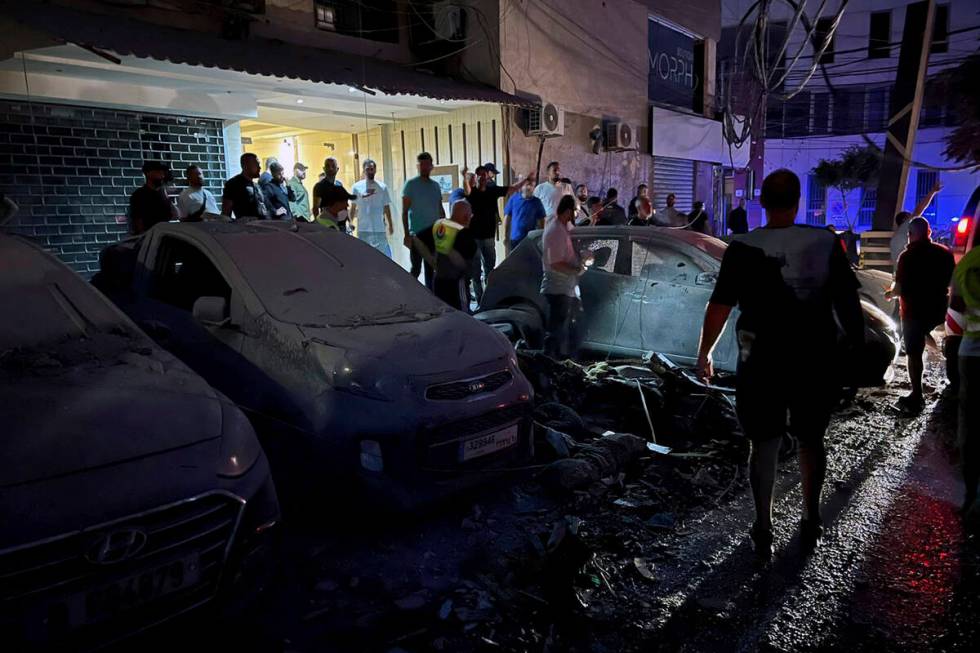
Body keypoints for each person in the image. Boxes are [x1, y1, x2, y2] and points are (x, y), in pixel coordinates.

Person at [695, 169, 864, 557]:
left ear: (764, 203)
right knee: (811, 440)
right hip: (814, 361)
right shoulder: (825, 242)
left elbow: (719, 306)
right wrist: (853, 351)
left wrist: (704, 353)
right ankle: (810, 517)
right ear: (799, 200)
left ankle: (763, 523)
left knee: (764, 442)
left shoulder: (742, 247)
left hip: (761, 361)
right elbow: (847, 303)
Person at [885, 217, 955, 412]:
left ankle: (917, 395)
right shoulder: (944, 253)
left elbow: (898, 290)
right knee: (929, 336)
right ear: (929, 233)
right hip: (938, 309)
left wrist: (890, 294)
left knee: (914, 354)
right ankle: (949, 372)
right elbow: (952, 283)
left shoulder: (907, 256)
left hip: (913, 311)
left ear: (910, 235)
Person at [463, 164, 529, 302]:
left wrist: (525, 180)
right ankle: (480, 300)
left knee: (490, 269)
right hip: (474, 238)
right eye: (479, 175)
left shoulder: (492, 191)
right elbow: (467, 189)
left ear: (487, 176)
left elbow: (512, 189)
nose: (482, 177)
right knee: (475, 272)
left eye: (484, 174)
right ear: (476, 177)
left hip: (488, 237)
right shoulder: (472, 193)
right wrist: (464, 176)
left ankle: (488, 299)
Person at [542, 195, 593, 358]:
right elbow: (555, 263)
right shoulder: (555, 230)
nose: (577, 215)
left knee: (568, 327)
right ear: (569, 211)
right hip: (558, 288)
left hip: (567, 288)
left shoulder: (563, 228)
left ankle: (562, 359)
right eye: (576, 211)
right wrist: (576, 270)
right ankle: (550, 361)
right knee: (556, 330)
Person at [950, 242, 980, 515]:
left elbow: (956, 306)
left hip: (971, 351)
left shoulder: (969, 261)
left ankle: (971, 493)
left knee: (970, 422)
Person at [423, 200, 479, 311]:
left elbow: (418, 242)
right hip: (456, 284)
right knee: (461, 316)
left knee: (444, 314)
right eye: (470, 215)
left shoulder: (440, 228)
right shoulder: (466, 237)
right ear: (466, 217)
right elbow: (464, 266)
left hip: (439, 280)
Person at [401, 152, 444, 289]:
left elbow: (440, 208)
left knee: (432, 268)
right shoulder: (411, 185)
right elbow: (404, 211)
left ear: (431, 166)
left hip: (434, 233)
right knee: (416, 268)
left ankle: (431, 299)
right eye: (422, 165)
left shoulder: (436, 186)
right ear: (418, 166)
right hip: (417, 234)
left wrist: (445, 230)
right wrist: (407, 234)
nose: (425, 167)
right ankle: (408, 295)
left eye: (427, 164)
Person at [890, 180, 942, 271]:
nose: (912, 216)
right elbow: (920, 208)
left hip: (900, 273)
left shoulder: (896, 237)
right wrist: (932, 192)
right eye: (909, 216)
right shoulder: (906, 227)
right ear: (904, 220)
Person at [350, 159, 393, 257]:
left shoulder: (382, 187)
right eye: (368, 169)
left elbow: (386, 207)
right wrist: (351, 222)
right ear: (364, 170)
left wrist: (390, 224)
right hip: (363, 229)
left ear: (375, 170)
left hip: (379, 229)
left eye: (372, 169)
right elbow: (353, 208)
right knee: (365, 257)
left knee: (382, 257)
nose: (370, 171)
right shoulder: (356, 187)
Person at [130, 161, 176, 234]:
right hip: (150, 238)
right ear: (148, 173)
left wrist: (167, 196)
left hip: (165, 235)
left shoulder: (163, 193)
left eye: (162, 172)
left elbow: (176, 215)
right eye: (158, 171)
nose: (162, 175)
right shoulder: (139, 195)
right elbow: (138, 221)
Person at [222, 153, 269, 220]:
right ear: (245, 165)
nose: (259, 167)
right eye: (256, 164)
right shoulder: (233, 184)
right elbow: (226, 213)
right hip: (245, 227)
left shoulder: (256, 186)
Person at [504, 179, 546, 254]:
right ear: (522, 187)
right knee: (515, 262)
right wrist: (506, 237)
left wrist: (541, 237)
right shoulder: (514, 199)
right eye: (527, 185)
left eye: (532, 185)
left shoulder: (537, 202)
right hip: (515, 239)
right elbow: (507, 218)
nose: (529, 187)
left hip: (530, 240)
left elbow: (542, 221)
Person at [313, 156, 347, 229]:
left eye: (333, 166)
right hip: (328, 225)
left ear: (337, 169)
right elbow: (315, 208)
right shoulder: (319, 187)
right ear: (324, 168)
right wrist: (319, 225)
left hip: (341, 225)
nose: (330, 168)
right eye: (328, 166)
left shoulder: (339, 185)